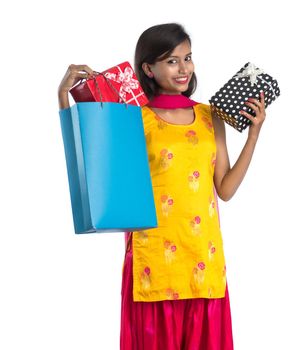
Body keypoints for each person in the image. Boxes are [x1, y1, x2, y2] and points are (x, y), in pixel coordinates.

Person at [58, 22, 266, 350]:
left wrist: (253, 135)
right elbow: (94, 169)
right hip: (153, 260)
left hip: (202, 259)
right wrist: (63, 100)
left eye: (188, 58)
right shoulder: (133, 116)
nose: (184, 69)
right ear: (148, 68)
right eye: (172, 61)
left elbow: (224, 190)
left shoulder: (210, 116)